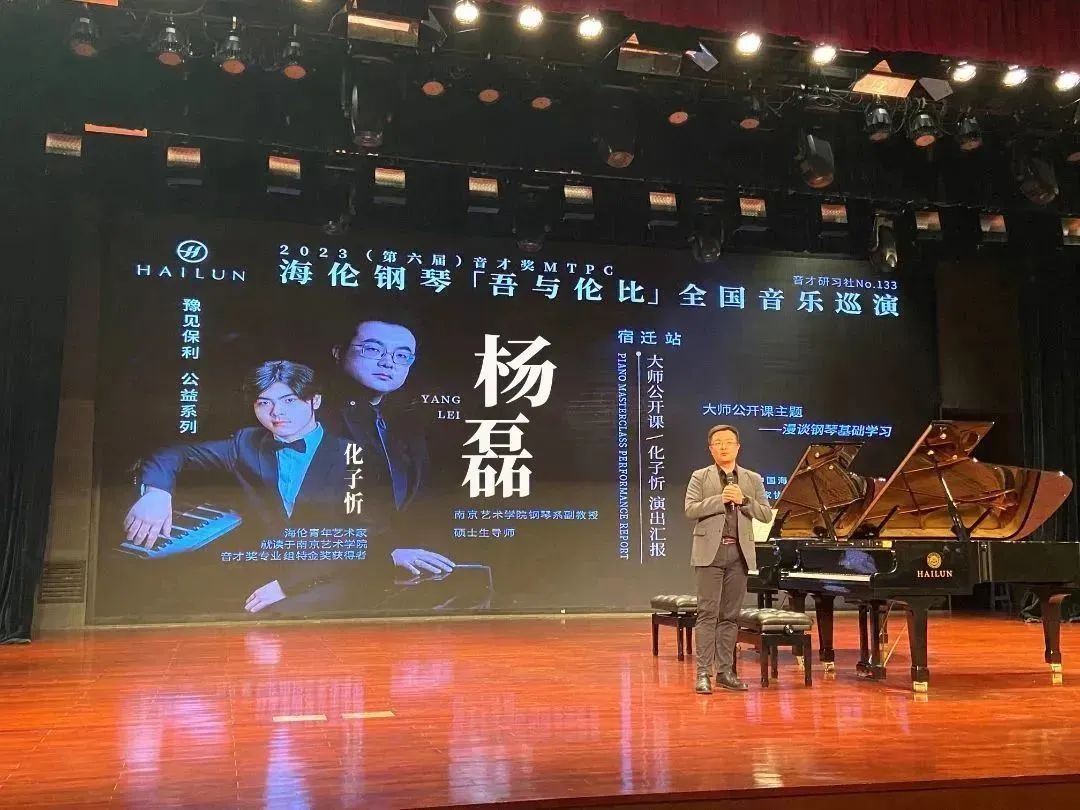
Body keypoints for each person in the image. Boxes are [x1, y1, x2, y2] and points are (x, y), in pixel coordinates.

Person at [684, 424, 772, 694]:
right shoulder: (700, 476)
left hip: (739, 554)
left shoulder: (752, 478)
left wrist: (744, 500)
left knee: (730, 616)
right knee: (707, 613)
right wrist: (719, 500)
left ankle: (725, 672)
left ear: (738, 447)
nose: (723, 447)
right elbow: (690, 509)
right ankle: (703, 673)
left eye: (728, 442)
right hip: (709, 553)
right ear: (711, 449)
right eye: (718, 443)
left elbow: (766, 514)